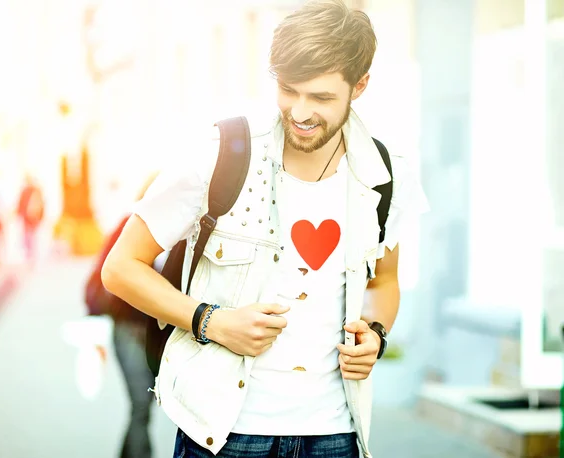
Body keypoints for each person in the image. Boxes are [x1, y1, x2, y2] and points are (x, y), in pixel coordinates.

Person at [102, 1, 428, 457]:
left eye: (321, 97)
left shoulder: (386, 175)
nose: (299, 111)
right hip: (224, 433)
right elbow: (120, 268)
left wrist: (375, 332)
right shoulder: (222, 152)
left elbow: (385, 281)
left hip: (336, 436)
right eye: (289, 90)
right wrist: (211, 321)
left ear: (360, 85)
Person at [85, 175, 158, 458]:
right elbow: (99, 276)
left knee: (144, 407)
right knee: (141, 405)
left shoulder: (181, 233)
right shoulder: (130, 225)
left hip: (158, 334)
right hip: (128, 328)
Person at [16, 175, 45, 266]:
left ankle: (29, 255)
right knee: (31, 236)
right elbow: (42, 204)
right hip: (33, 216)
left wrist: (19, 214)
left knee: (28, 236)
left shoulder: (26, 190)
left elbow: (20, 204)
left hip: (27, 217)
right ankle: (31, 256)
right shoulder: (37, 190)